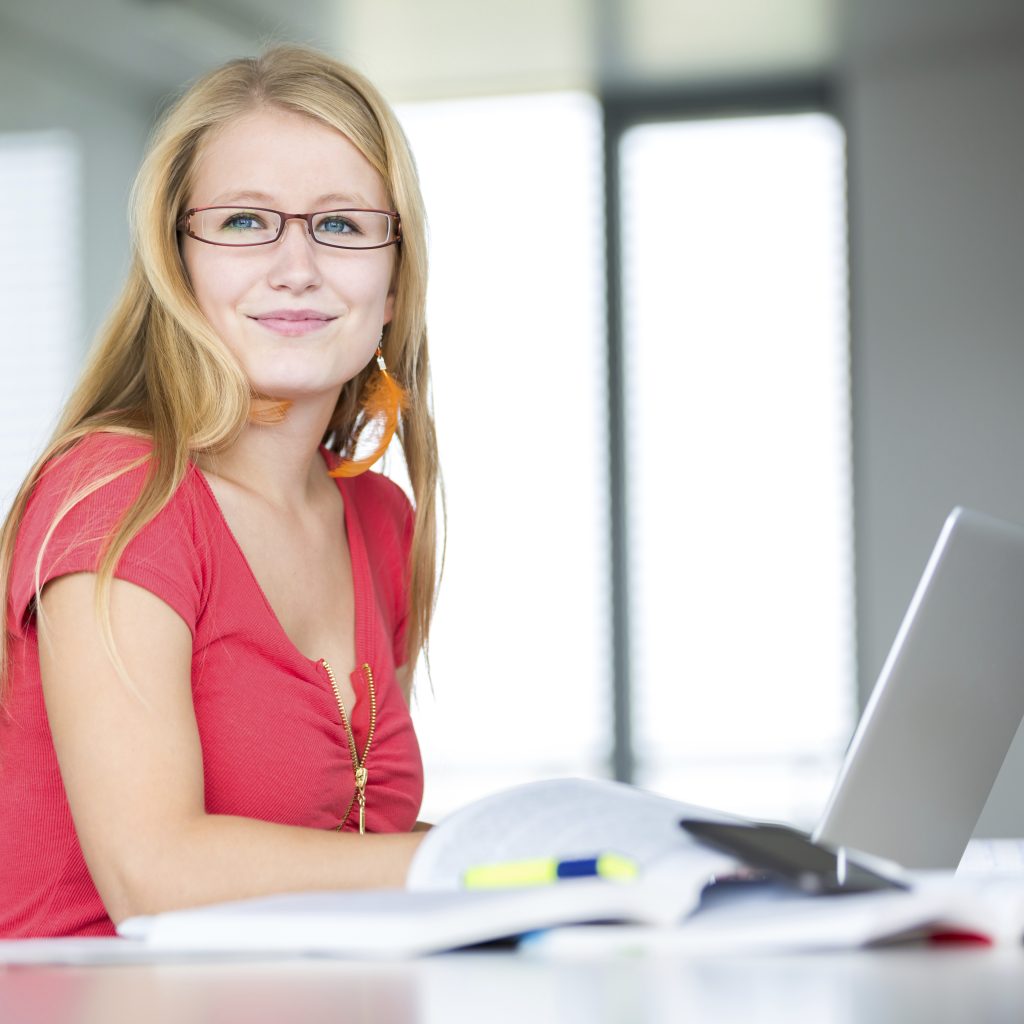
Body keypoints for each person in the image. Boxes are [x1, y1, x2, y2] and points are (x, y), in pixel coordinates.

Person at [0, 44, 440, 938]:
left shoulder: (380, 522)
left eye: (344, 226)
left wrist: (589, 852)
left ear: (393, 283)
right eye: (244, 223)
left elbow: (352, 851)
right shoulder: (118, 495)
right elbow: (153, 873)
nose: (296, 267)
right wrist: (470, 863)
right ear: (178, 265)